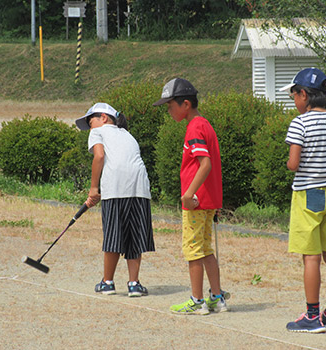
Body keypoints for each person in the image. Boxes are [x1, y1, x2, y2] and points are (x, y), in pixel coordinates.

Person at [153, 78, 228, 314]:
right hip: (208, 200)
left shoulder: (194, 127)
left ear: (185, 104)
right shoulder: (205, 124)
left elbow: (204, 164)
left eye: (170, 105)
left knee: (193, 249)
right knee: (205, 249)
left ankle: (197, 301)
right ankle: (217, 297)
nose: (168, 110)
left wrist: (188, 194)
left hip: (196, 201)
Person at [281, 68, 326, 333]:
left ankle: (311, 316)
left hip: (309, 194)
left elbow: (294, 164)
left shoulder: (300, 123)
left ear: (304, 95)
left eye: (294, 95)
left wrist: (288, 162)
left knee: (310, 258)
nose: (294, 101)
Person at [75, 102, 155, 297]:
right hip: (140, 188)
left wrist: (94, 188)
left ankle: (107, 282)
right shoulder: (127, 135)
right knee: (134, 237)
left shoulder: (98, 132)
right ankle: (134, 284)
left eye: (90, 120)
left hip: (115, 187)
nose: (89, 125)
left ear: (104, 118)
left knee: (113, 235)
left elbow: (99, 157)